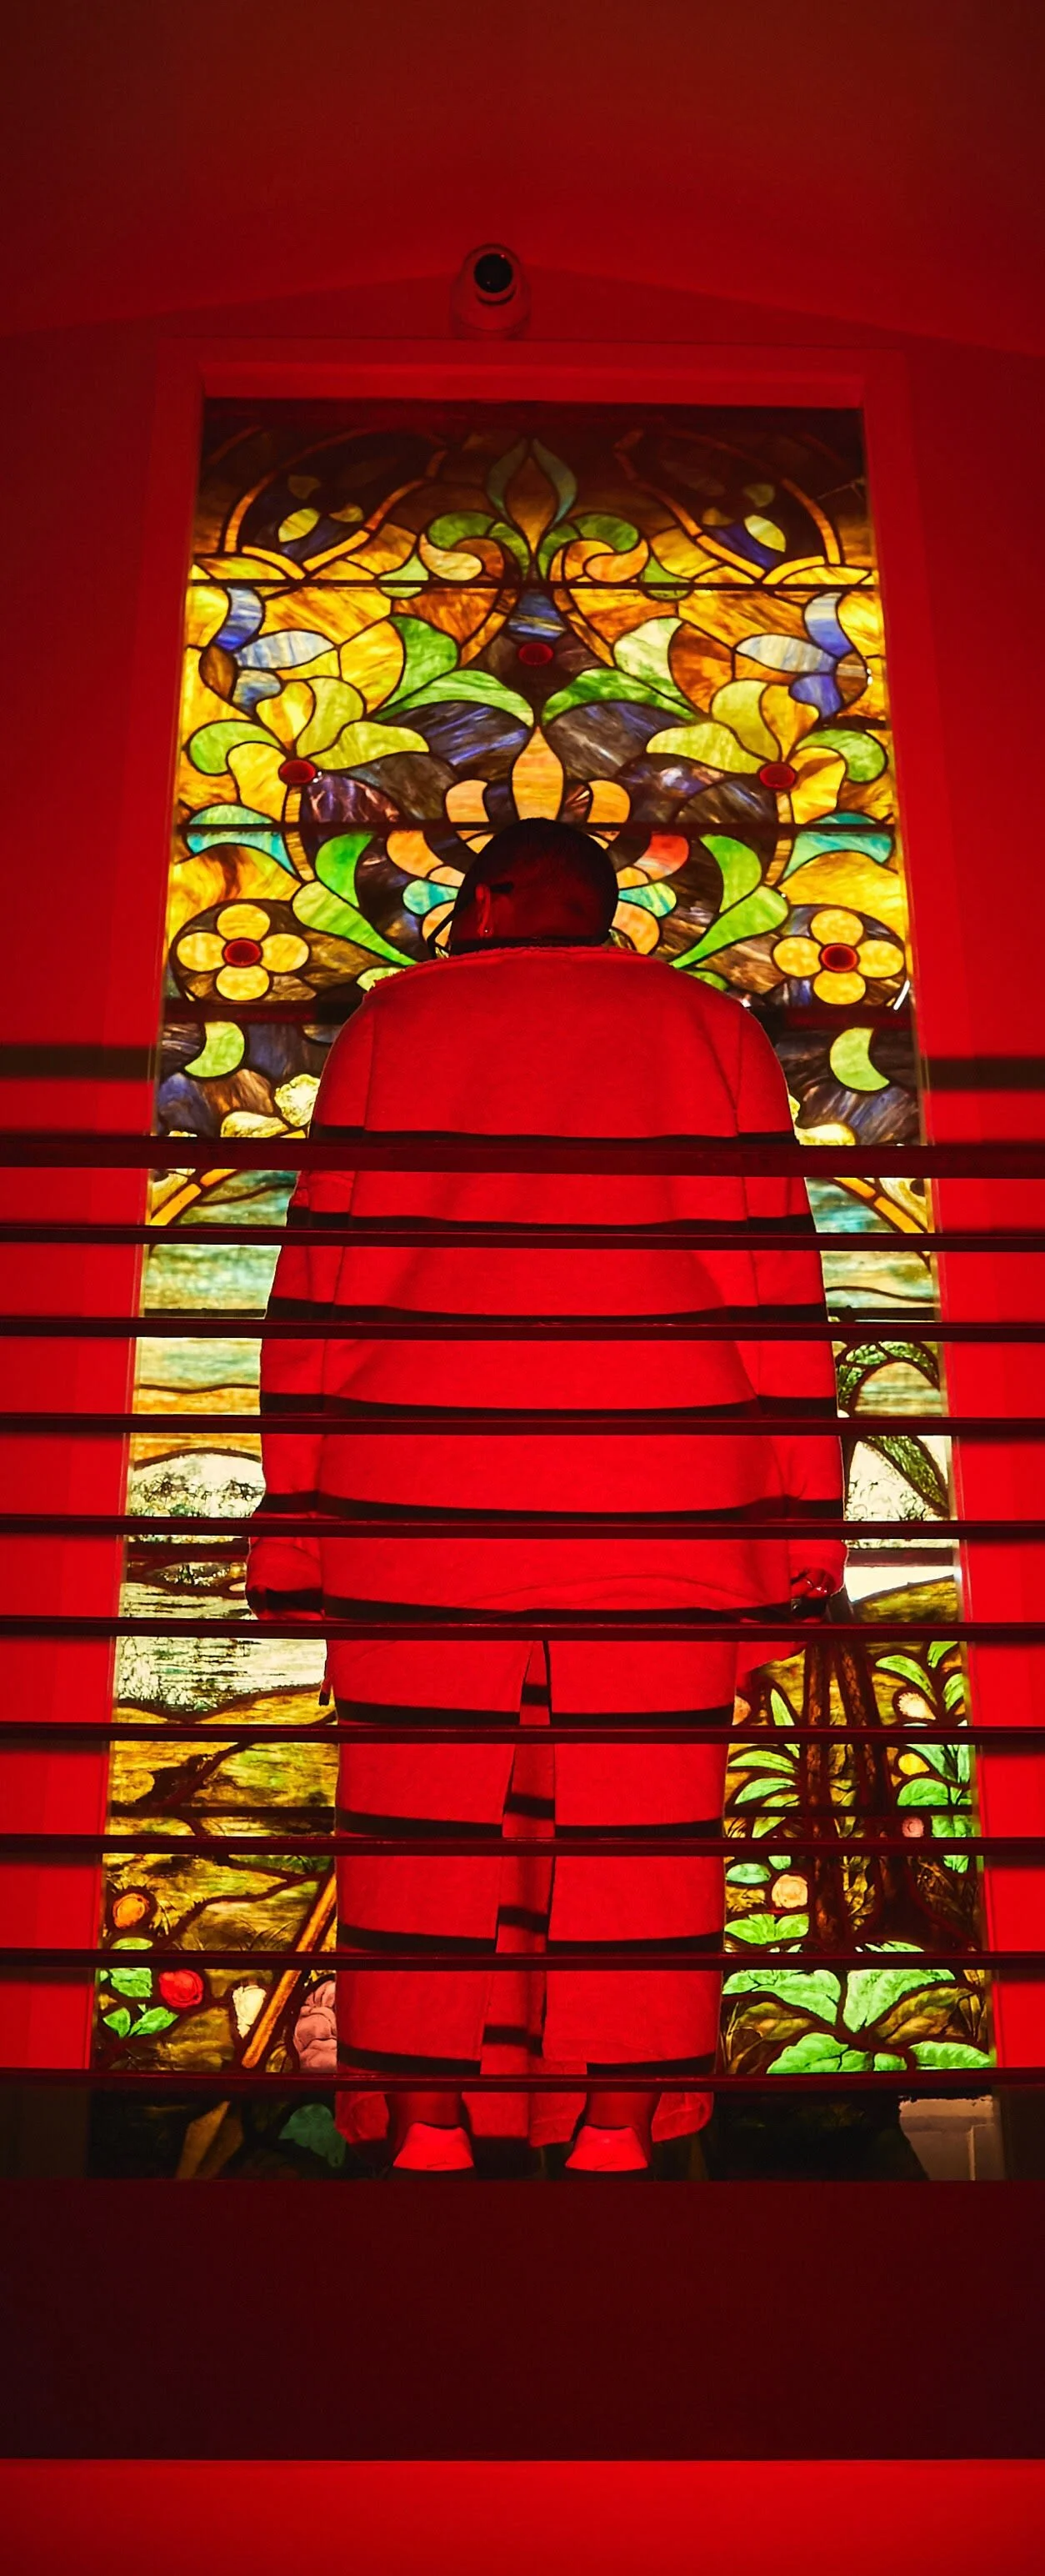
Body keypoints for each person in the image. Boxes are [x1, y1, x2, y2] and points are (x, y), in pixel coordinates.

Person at [248, 820, 843, 2174]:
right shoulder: (708, 1027)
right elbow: (775, 1274)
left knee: (419, 1810)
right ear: (606, 905)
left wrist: (296, 1504)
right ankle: (616, 2121)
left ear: (490, 897)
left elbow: (321, 1273)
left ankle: (431, 2120)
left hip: (422, 1475)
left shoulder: (395, 1023)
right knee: (644, 1820)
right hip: (665, 1473)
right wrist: (802, 1512)